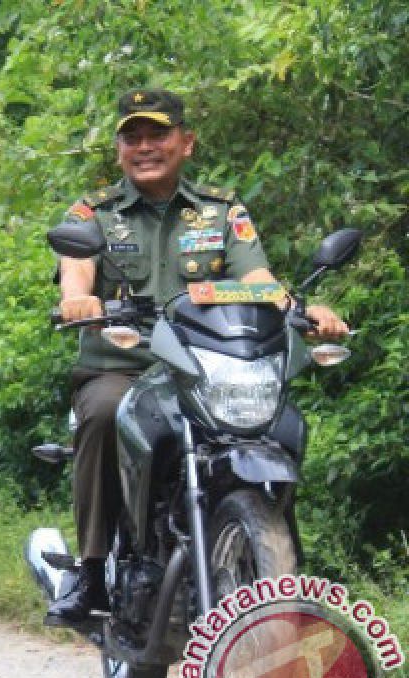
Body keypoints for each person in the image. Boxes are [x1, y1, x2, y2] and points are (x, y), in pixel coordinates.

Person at [46, 88, 349, 627]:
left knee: (277, 423)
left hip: (205, 368)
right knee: (102, 414)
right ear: (118, 148)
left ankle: (270, 550)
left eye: (158, 134)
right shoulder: (93, 213)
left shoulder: (220, 210)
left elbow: (256, 279)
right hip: (126, 366)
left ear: (186, 142)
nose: (144, 146)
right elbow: (76, 269)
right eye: (131, 136)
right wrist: (77, 299)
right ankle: (92, 569)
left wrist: (302, 310)